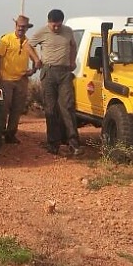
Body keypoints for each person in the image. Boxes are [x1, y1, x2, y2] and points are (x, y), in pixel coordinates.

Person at [29, 9, 81, 156]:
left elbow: (73, 46)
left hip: (65, 73)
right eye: (54, 25)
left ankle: (73, 143)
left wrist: (72, 62)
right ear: (48, 22)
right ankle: (53, 144)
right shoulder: (42, 32)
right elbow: (28, 45)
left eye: (58, 25)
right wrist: (36, 60)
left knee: (68, 106)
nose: (56, 28)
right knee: (50, 108)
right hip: (49, 72)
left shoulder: (68, 31)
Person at [0, 15, 42, 144]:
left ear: (26, 28)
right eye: (19, 26)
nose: (21, 28)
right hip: (6, 79)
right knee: (3, 108)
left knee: (17, 108)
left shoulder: (27, 42)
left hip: (21, 80)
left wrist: (32, 70)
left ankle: (10, 134)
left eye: (23, 27)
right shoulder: (6, 39)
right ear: (16, 26)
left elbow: (36, 60)